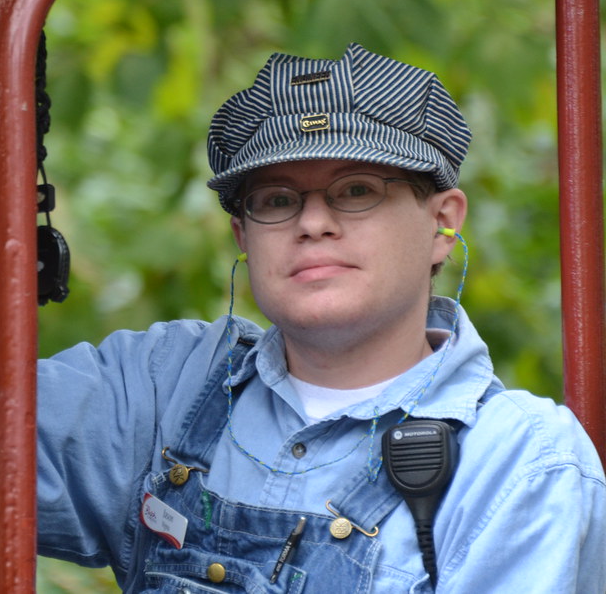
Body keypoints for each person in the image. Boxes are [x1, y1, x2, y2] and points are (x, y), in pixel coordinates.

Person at [37, 43, 606, 593]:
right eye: (277, 199)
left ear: (443, 224)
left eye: (356, 190)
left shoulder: (516, 461)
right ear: (243, 235)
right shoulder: (164, 384)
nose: (312, 223)